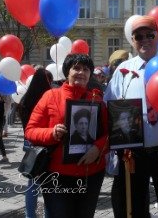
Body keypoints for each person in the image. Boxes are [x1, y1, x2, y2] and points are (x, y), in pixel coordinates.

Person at [104, 15, 158, 218]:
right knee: (135, 205)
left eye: (150, 35)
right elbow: (109, 105)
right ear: (133, 41)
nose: (145, 40)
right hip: (133, 151)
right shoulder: (122, 71)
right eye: (139, 36)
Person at [25, 54, 108, 218]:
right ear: (66, 72)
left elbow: (110, 133)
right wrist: (51, 133)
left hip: (90, 174)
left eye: (86, 69)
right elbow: (30, 130)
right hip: (57, 175)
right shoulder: (51, 96)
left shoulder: (97, 99)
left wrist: (98, 148)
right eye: (76, 68)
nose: (81, 72)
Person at [17, 68, 53, 218]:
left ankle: (29, 215)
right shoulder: (46, 98)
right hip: (45, 143)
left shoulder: (25, 98)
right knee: (49, 184)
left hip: (30, 142)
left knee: (32, 183)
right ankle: (47, 214)